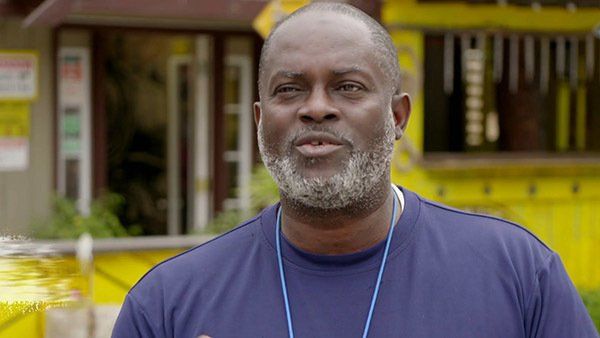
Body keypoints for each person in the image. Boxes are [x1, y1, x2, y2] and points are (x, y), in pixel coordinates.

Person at [112, 3, 598, 337]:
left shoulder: (518, 275)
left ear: (398, 116)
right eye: (289, 89)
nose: (316, 108)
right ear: (260, 121)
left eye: (347, 87)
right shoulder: (169, 305)